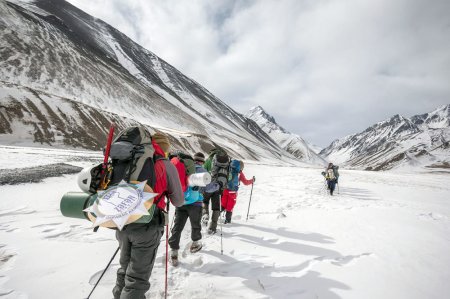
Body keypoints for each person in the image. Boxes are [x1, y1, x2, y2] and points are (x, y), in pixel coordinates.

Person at [113, 131, 184, 299]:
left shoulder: (133, 158)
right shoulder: (166, 165)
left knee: (125, 268)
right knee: (137, 278)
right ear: (165, 149)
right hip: (147, 224)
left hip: (122, 220)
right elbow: (179, 201)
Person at [168, 152, 206, 266]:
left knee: (178, 226)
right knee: (195, 224)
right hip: (196, 202)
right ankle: (195, 244)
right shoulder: (202, 171)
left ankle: (174, 252)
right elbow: (208, 188)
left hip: (182, 201)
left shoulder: (184, 167)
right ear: (202, 161)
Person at [202, 148, 230, 234]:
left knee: (205, 201)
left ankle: (205, 214)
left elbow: (204, 172)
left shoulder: (208, 160)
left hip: (208, 186)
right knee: (216, 208)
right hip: (218, 188)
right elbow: (228, 176)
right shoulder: (226, 162)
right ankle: (212, 228)